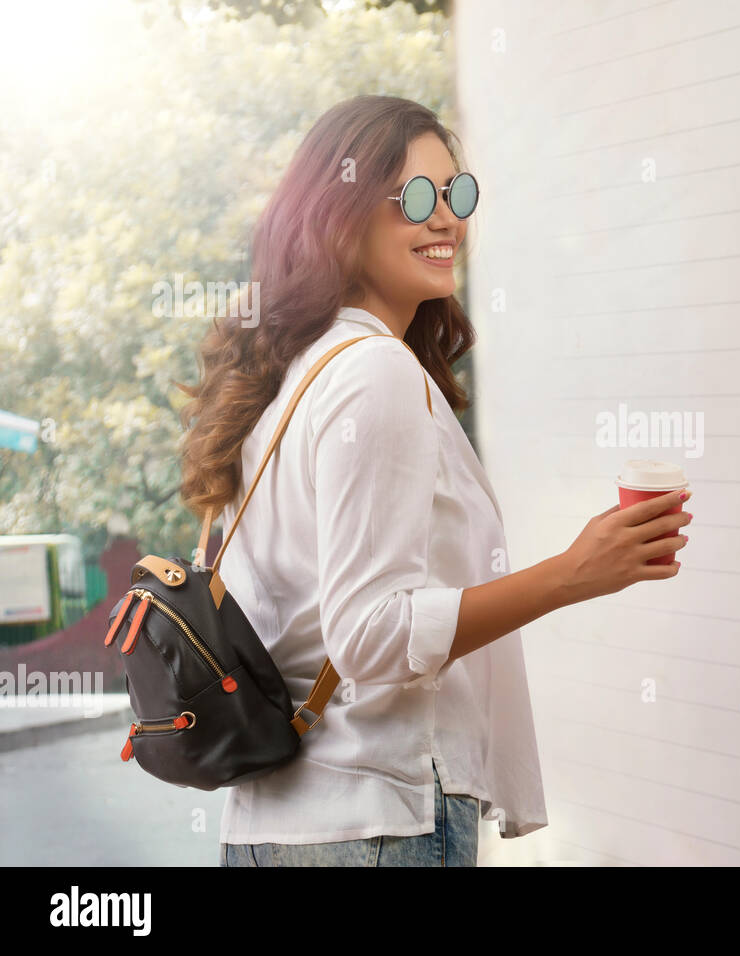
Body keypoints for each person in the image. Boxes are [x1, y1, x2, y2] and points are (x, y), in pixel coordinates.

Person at [177, 94, 691, 867]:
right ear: (339, 217)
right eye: (415, 197)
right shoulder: (372, 372)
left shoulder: (291, 374)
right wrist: (571, 575)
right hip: (375, 820)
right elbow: (368, 634)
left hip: (274, 826)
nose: (446, 218)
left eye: (458, 194)